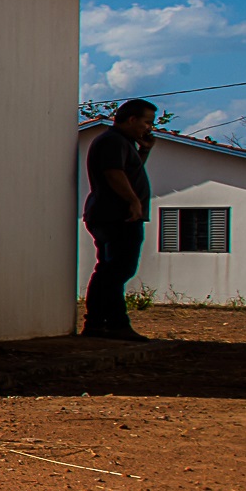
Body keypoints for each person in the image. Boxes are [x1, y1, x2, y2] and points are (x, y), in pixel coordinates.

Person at [82, 99, 157, 339]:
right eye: (147, 122)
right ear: (132, 119)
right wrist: (133, 201)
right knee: (116, 270)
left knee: (111, 269)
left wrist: (144, 151)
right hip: (115, 216)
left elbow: (129, 171)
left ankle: (98, 324)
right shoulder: (112, 141)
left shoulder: (122, 143)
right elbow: (114, 173)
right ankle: (114, 323)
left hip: (114, 215)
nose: (149, 128)